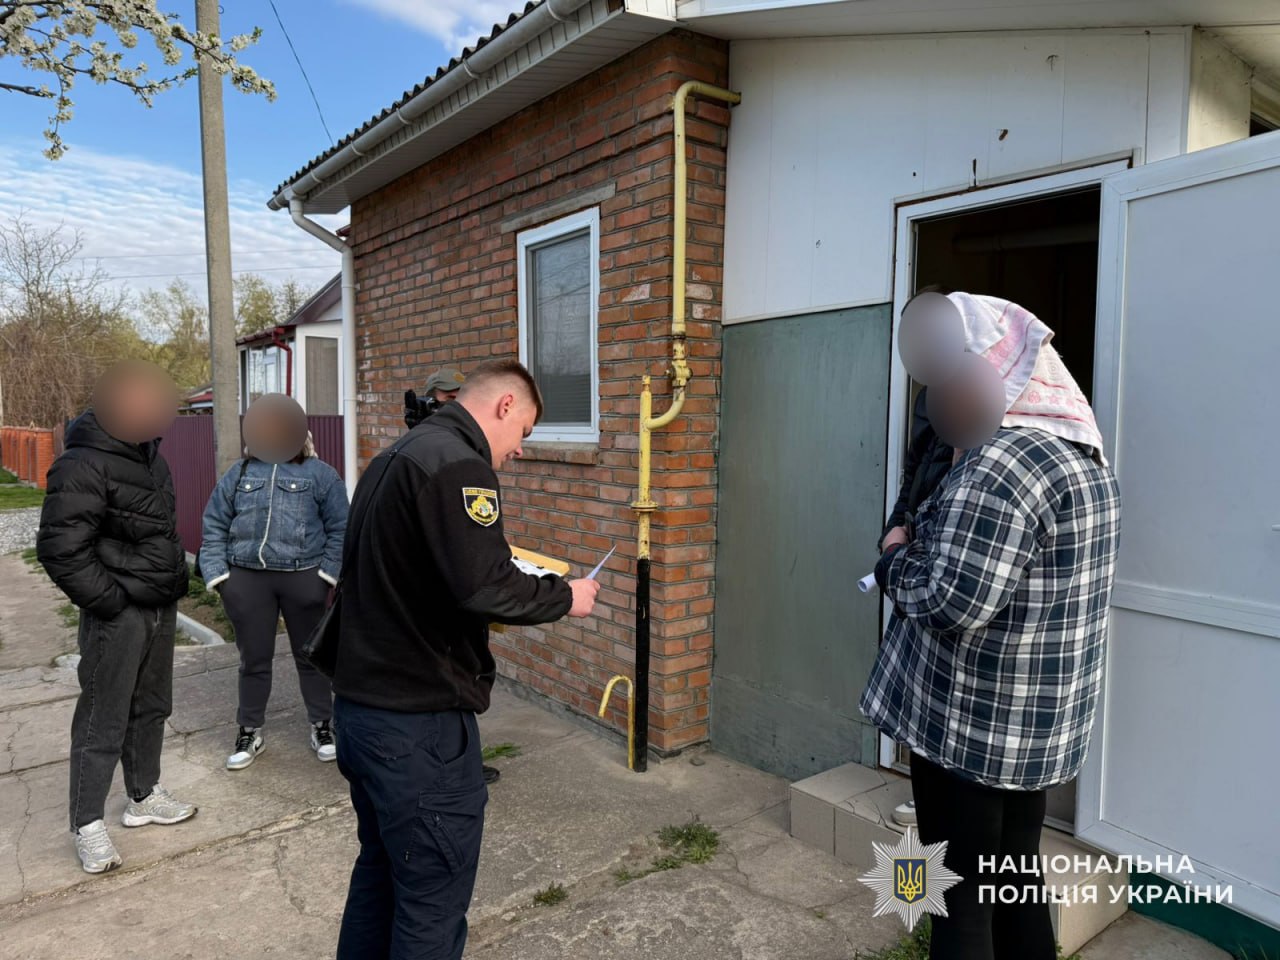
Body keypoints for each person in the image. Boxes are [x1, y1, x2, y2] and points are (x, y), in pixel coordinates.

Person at [861, 293, 1121, 960]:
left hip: (969, 730)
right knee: (1013, 877)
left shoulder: (1003, 463)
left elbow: (952, 600)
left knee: (957, 901)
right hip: (1030, 733)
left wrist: (893, 559)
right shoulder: (1080, 458)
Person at [332, 359, 600, 960]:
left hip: (363, 711)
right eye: (525, 432)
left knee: (380, 876)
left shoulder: (399, 455)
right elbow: (485, 587)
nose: (521, 451)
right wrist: (566, 596)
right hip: (417, 725)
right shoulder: (460, 464)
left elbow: (426, 575)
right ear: (505, 406)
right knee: (430, 903)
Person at [36, 361, 197, 875]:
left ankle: (143, 797)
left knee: (152, 707)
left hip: (159, 604)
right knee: (103, 719)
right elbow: (61, 549)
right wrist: (112, 604)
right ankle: (86, 824)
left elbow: (155, 531)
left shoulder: (150, 456)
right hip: (118, 614)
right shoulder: (82, 463)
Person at [198, 395, 348, 770]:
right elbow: (214, 523)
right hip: (248, 581)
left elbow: (341, 529)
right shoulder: (240, 474)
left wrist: (324, 578)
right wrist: (220, 579)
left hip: (304, 579)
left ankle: (323, 725)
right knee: (254, 660)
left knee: (311, 657)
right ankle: (249, 731)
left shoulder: (320, 475)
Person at [879, 385, 954, 829]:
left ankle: (941, 800)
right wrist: (895, 531)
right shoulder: (931, 395)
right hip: (916, 552)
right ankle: (924, 791)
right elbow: (914, 472)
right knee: (919, 678)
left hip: (948, 557)